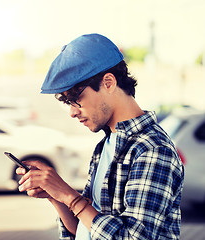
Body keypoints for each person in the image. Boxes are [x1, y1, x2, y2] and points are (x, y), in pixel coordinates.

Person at [16, 33, 184, 239]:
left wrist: (69, 196)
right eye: (67, 103)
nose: (72, 112)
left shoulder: (152, 149)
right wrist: (55, 195)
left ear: (108, 83)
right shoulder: (106, 145)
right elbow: (88, 227)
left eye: (76, 98)